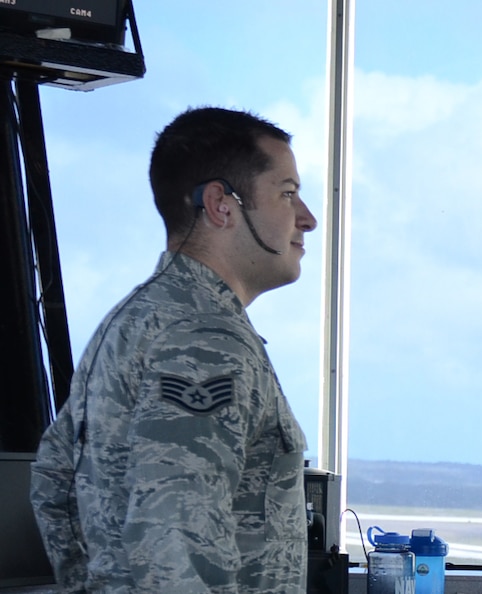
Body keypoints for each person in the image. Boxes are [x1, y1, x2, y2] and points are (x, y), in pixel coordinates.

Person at [31, 107, 318, 593]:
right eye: (287, 193)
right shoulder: (205, 339)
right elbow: (175, 532)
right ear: (222, 205)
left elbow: (53, 485)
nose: (306, 218)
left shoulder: (130, 323)